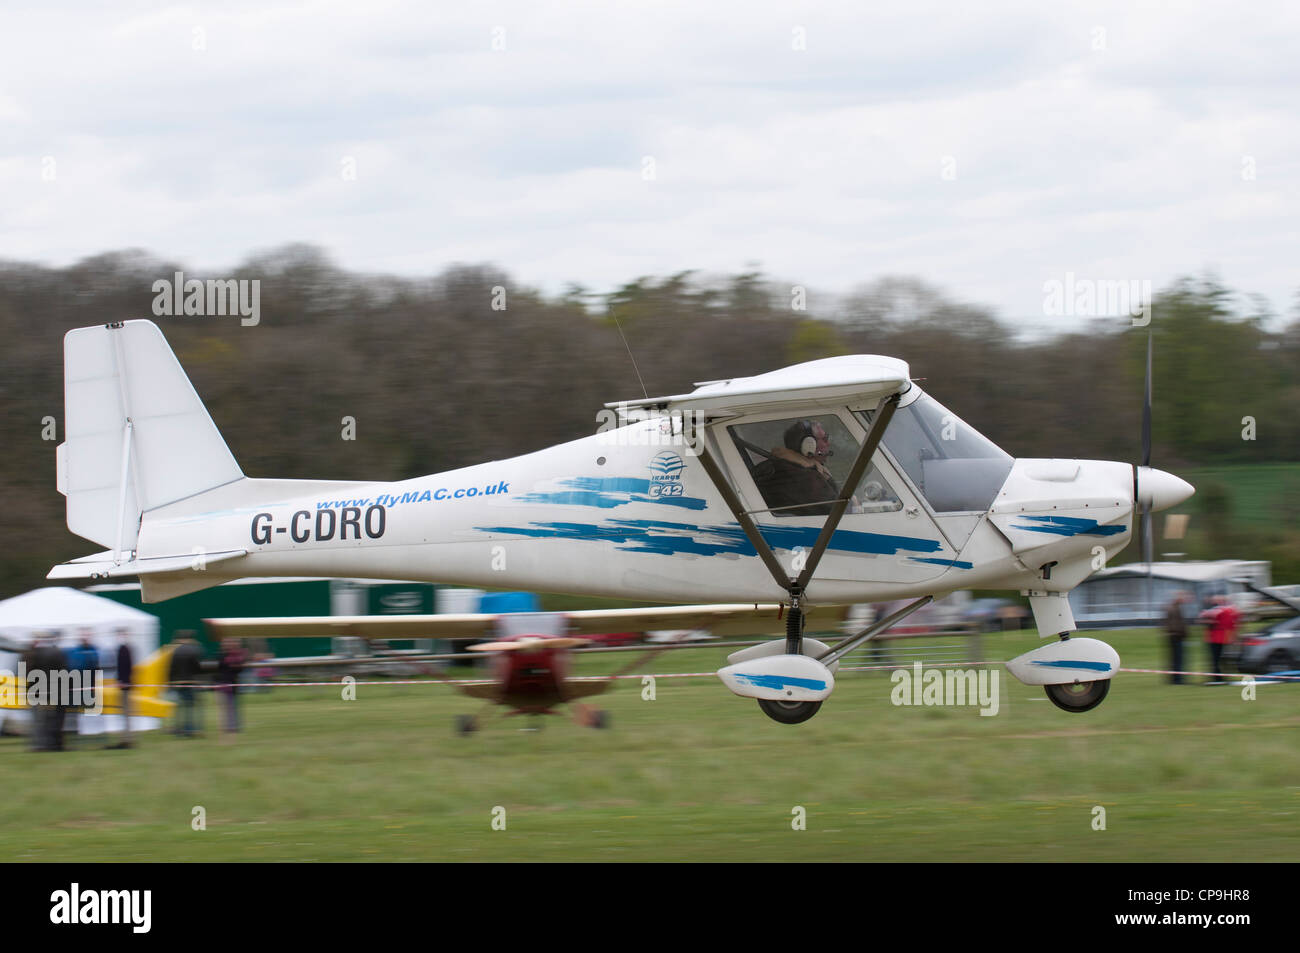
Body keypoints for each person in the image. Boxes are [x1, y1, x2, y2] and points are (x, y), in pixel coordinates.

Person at [752, 420, 842, 516]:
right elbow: (836, 511)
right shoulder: (805, 476)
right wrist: (853, 502)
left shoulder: (781, 465)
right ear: (809, 445)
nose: (828, 444)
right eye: (824, 439)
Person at [168, 633, 204, 737]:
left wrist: (171, 681)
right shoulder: (192, 651)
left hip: (177, 682)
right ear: (189, 639)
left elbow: (171, 668)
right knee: (190, 706)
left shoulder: (175, 651)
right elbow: (197, 668)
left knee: (179, 707)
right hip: (190, 682)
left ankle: (178, 729)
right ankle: (189, 729)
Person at [1200, 595, 1240, 684]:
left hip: (1216, 638)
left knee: (1216, 659)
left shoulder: (1219, 610)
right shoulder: (1229, 610)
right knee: (1221, 659)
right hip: (1222, 638)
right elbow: (1234, 622)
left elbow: (1203, 615)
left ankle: (1218, 677)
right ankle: (1221, 676)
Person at [216, 638, 247, 736]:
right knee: (229, 706)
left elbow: (239, 668)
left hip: (231, 682)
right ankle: (231, 725)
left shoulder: (235, 655)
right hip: (227, 682)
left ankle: (232, 726)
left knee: (231, 705)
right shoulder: (225, 655)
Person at [111, 630, 134, 749]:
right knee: (126, 712)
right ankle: (126, 738)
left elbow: (125, 667)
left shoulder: (123, 649)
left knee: (126, 712)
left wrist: (122, 681)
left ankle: (126, 739)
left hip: (125, 685)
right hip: (126, 684)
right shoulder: (127, 648)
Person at [1163, 592, 1190, 684]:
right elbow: (1176, 624)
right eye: (1184, 597)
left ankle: (1175, 678)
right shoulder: (1175, 608)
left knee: (1175, 659)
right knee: (1178, 659)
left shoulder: (1173, 607)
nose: (1185, 600)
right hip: (1176, 636)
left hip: (1174, 635)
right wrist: (1183, 633)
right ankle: (1177, 679)